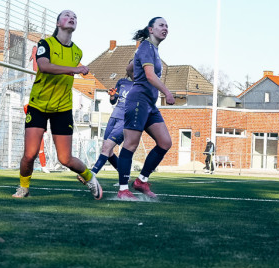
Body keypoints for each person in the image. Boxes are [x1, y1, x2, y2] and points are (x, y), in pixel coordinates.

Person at [12, 10, 103, 200]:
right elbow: (44, 66)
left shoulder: (77, 51)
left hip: (62, 108)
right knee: (30, 154)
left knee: (65, 159)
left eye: (75, 17)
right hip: (38, 105)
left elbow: (68, 69)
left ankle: (90, 178)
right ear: (58, 23)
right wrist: (75, 69)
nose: (72, 18)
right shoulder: (45, 44)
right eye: (67, 15)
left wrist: (76, 69)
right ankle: (23, 188)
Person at [114, 17, 175, 200]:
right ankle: (123, 190)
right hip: (138, 101)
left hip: (149, 103)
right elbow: (149, 75)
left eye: (167, 26)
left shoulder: (152, 49)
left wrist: (136, 77)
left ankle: (141, 181)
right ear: (151, 29)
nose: (165, 28)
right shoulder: (146, 46)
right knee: (131, 144)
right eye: (161, 25)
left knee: (165, 142)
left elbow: (130, 68)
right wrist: (167, 92)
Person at [90, 76, 133, 176]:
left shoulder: (141, 84)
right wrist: (112, 96)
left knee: (106, 148)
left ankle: (91, 175)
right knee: (108, 152)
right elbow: (113, 101)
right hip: (114, 116)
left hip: (124, 120)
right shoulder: (121, 81)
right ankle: (124, 176)